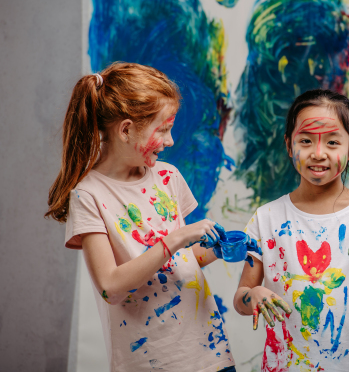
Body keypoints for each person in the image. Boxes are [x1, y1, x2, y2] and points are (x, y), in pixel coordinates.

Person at [46, 62, 236, 372]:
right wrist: (175, 238)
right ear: (125, 130)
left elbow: (183, 260)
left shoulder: (168, 177)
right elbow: (110, 286)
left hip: (210, 353)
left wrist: (220, 248)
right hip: (151, 361)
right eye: (163, 129)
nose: (171, 140)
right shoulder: (89, 195)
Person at [232, 89, 349, 371]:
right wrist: (253, 296)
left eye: (333, 142)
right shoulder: (267, 218)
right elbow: (241, 298)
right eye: (305, 141)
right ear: (289, 145)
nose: (318, 153)